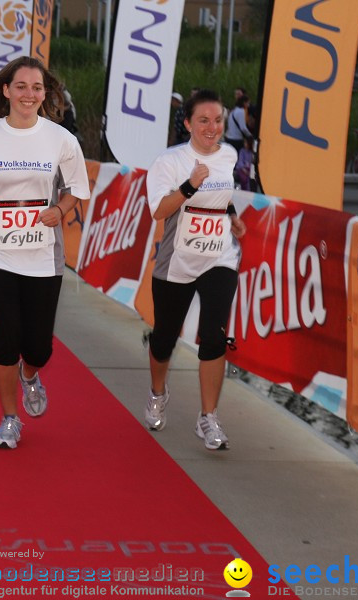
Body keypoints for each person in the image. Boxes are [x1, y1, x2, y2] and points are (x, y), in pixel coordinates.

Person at [0, 56, 90, 450]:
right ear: (7, 90)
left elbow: (76, 189)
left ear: (45, 94)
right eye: (22, 86)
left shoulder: (62, 140)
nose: (29, 94)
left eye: (37, 88)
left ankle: (30, 375)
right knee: (4, 339)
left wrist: (59, 210)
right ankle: (10, 418)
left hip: (43, 255)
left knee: (39, 348)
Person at [143, 89, 246, 451]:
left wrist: (231, 218)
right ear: (187, 123)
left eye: (217, 120)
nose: (212, 127)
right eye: (203, 120)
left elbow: (223, 194)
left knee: (215, 336)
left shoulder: (230, 154)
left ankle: (208, 418)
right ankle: (158, 393)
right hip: (178, 261)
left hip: (220, 257)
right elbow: (158, 210)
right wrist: (190, 185)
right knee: (164, 338)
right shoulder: (170, 161)